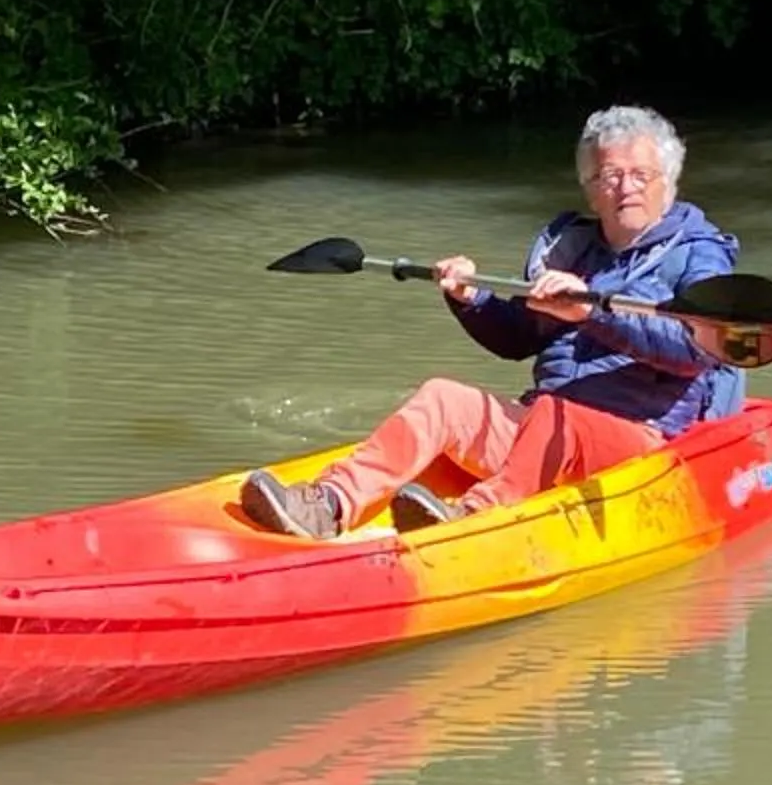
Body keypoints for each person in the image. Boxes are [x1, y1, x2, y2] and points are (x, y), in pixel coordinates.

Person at [242, 105, 745, 538]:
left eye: (640, 175)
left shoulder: (699, 256)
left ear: (668, 183)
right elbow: (518, 338)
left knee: (557, 415)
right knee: (443, 396)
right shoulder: (574, 249)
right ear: (590, 190)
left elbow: (698, 349)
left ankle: (475, 521)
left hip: (640, 443)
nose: (624, 188)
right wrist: (470, 297)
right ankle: (328, 503)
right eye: (608, 176)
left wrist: (590, 313)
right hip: (545, 428)